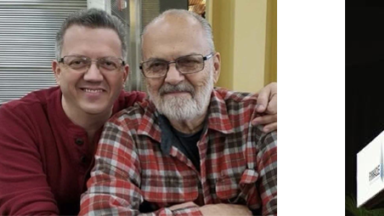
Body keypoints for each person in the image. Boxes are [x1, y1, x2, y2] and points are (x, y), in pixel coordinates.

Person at [0, 9, 279, 216]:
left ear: (125, 74)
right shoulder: (125, 127)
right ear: (57, 71)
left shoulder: (260, 118)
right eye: (77, 62)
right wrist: (210, 214)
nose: (172, 78)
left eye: (189, 62)